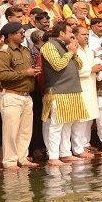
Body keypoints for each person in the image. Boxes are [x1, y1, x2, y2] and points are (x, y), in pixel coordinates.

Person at [40, 22, 89, 166]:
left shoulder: (66, 47)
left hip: (72, 91)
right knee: (56, 125)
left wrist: (73, 52)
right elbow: (57, 65)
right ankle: (53, 156)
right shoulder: (49, 46)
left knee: (68, 124)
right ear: (61, 33)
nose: (73, 37)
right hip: (58, 91)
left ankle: (65, 153)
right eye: (70, 34)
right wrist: (69, 53)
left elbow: (79, 65)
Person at [0, 22, 40, 169]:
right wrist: (26, 72)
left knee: (25, 130)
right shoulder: (4, 51)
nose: (22, 34)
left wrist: (32, 71)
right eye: (19, 32)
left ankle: (22, 157)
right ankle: (10, 161)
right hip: (10, 94)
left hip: (26, 94)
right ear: (10, 35)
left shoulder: (24, 50)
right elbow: (2, 74)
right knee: (11, 131)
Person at [71, 26, 102, 157]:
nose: (86, 37)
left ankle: (84, 144)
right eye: (83, 34)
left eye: (88, 34)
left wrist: (98, 68)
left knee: (88, 117)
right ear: (75, 36)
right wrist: (91, 69)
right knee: (80, 119)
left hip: (90, 86)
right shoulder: (73, 50)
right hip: (79, 88)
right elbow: (74, 70)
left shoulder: (90, 51)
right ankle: (77, 149)